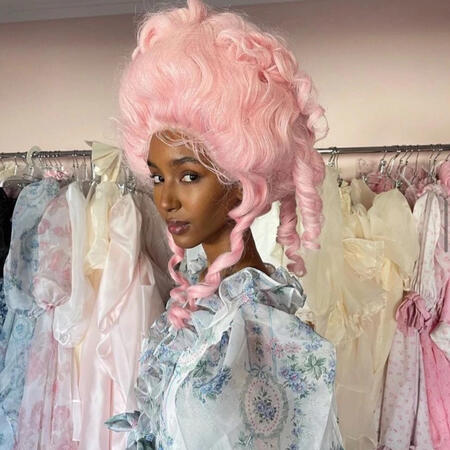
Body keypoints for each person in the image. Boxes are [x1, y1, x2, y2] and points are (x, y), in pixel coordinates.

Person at [106, 0, 343, 448]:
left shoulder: (263, 329)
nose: (166, 200)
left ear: (240, 182)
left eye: (188, 176)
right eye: (157, 177)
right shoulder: (202, 306)